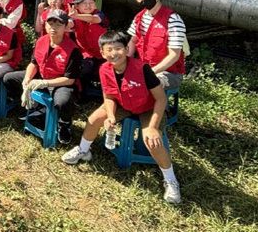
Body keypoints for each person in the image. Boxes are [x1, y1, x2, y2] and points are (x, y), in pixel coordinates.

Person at [61, 31, 181, 204]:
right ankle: (83, 150)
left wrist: (153, 127)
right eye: (108, 50)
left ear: (126, 49)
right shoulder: (104, 69)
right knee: (94, 119)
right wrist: (110, 116)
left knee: (151, 139)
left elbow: (161, 98)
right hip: (123, 103)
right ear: (102, 53)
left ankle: (170, 179)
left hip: (148, 107)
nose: (113, 53)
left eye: (118, 48)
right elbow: (109, 96)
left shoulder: (142, 69)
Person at [4, 10, 82, 144]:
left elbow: (70, 79)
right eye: (50, 24)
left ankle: (64, 123)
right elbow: (33, 63)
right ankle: (34, 107)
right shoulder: (41, 41)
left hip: (61, 82)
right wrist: (27, 79)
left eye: (58, 24)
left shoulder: (72, 49)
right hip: (41, 75)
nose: (54, 28)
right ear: (45, 26)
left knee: (63, 101)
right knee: (8, 79)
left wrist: (45, 83)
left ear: (65, 27)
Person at [127, 0, 186, 89]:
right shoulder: (139, 17)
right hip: (144, 67)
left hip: (168, 73)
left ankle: (157, 106)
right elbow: (133, 42)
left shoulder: (173, 20)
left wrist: (150, 72)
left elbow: (174, 55)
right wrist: (123, 61)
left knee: (147, 83)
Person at [67, 0, 108, 87]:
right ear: (76, 6)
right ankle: (82, 91)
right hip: (86, 53)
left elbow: (93, 19)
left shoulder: (99, 15)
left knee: (106, 71)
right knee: (85, 70)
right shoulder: (74, 18)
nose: (88, 6)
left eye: (91, 3)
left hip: (104, 52)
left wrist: (77, 16)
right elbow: (69, 24)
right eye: (84, 3)